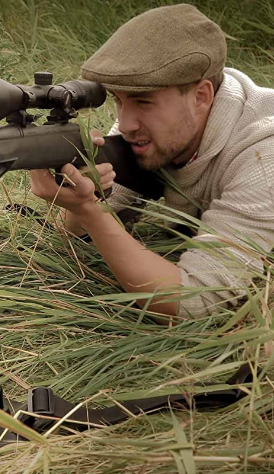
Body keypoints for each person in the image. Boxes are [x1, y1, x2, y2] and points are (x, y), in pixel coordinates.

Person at [30, 3, 274, 320]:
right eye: (119, 101)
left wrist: (91, 212)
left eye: (144, 102)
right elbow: (74, 236)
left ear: (201, 96)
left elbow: (196, 304)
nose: (125, 124)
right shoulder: (153, 131)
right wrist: (81, 197)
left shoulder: (263, 155)